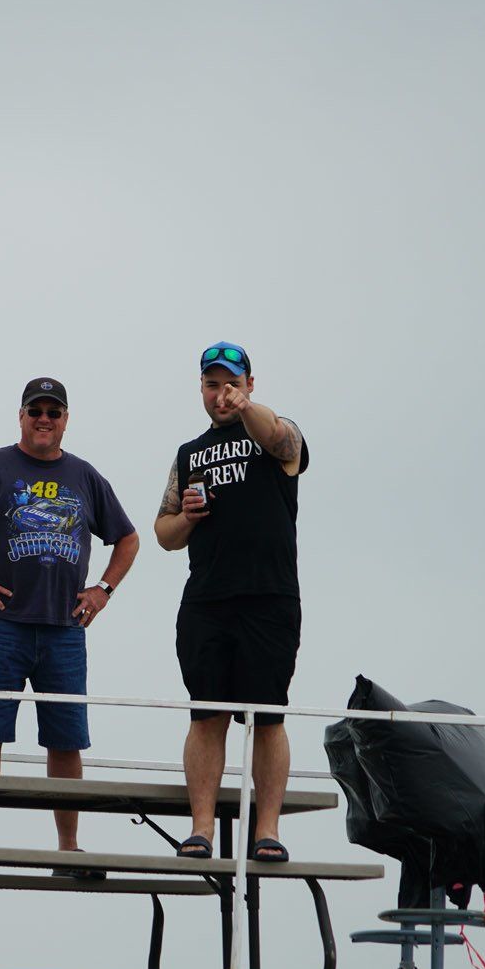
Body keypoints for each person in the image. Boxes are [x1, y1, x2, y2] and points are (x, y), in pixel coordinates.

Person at [0, 378, 139, 873]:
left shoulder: (85, 476)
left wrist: (104, 589)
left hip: (64, 629)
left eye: (53, 411)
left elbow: (127, 539)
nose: (44, 419)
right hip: (1, 624)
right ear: (20, 416)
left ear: (65, 419)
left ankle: (68, 849)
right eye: (35, 410)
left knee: (66, 741)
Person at [154, 342, 308, 863]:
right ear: (200, 388)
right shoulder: (189, 453)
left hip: (269, 596)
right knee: (206, 714)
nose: (222, 393)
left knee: (268, 715)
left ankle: (267, 830)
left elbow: (280, 439)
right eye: (212, 384)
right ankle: (201, 830)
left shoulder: (275, 433)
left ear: (249, 384)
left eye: (231, 383)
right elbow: (163, 532)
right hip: (207, 599)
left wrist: (247, 410)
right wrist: (188, 518)